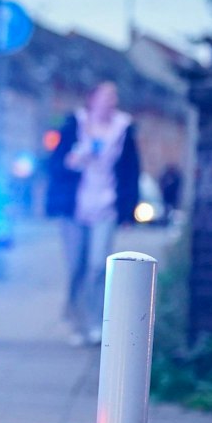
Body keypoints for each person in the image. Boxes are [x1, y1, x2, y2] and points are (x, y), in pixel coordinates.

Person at [46, 81, 142, 343]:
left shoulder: (123, 129)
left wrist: (128, 210)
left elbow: (131, 170)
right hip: (75, 206)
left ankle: (95, 322)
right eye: (104, 98)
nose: (109, 103)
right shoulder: (74, 125)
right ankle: (76, 321)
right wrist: (72, 162)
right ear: (92, 100)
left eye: (113, 98)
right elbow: (54, 164)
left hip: (106, 205)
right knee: (77, 264)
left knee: (99, 265)